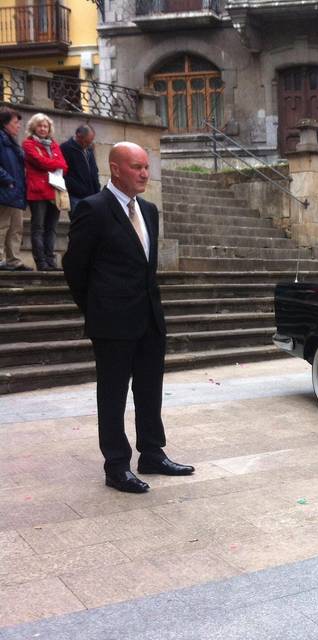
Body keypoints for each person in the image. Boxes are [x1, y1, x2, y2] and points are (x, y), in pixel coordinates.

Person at [63, 142, 194, 494]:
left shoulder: (149, 210)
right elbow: (74, 267)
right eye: (136, 167)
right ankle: (116, 465)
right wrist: (95, 309)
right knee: (113, 395)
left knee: (150, 390)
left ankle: (151, 452)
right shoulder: (94, 209)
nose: (144, 173)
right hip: (112, 322)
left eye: (146, 167)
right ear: (115, 169)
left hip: (150, 318)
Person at [22, 113, 68, 271]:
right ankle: (41, 262)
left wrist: (52, 163)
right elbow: (39, 162)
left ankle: (50, 260)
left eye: (45, 126)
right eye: (40, 126)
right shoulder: (28, 144)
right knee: (38, 227)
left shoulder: (54, 144)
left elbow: (64, 165)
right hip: (37, 191)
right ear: (34, 127)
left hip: (54, 191)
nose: (43, 129)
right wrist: (53, 163)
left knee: (52, 228)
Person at [0, 107, 31, 271]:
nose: (18, 126)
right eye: (15, 122)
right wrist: (8, 180)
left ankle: (14, 260)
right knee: (2, 226)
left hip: (16, 192)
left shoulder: (12, 142)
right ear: (5, 124)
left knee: (16, 227)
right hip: (5, 190)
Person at [60, 124, 100, 217]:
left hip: (92, 196)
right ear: (78, 135)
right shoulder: (66, 148)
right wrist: (77, 188)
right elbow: (63, 174)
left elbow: (94, 171)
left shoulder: (89, 149)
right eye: (86, 141)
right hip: (75, 196)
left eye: (90, 142)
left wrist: (97, 192)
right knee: (78, 224)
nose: (88, 144)